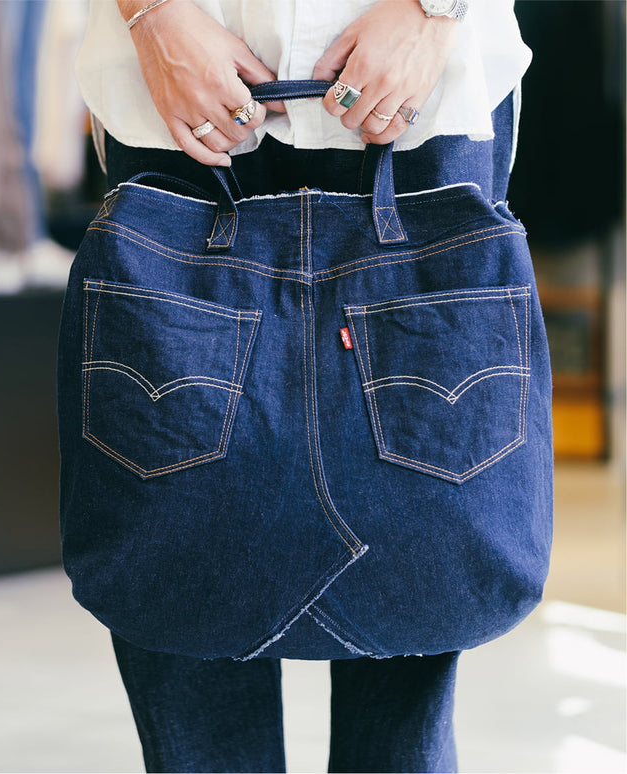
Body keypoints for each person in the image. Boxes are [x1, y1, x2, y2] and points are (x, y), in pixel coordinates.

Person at [58, 1, 553, 772]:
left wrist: (433, 11)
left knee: (420, 570)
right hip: (177, 83)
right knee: (180, 563)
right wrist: (153, 14)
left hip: (425, 86)